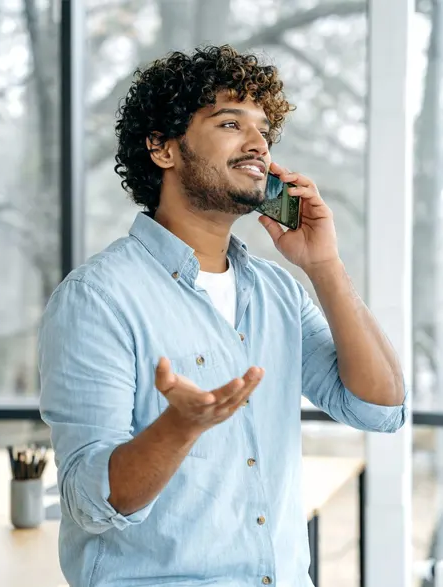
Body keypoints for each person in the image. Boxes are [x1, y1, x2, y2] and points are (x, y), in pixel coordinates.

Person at [38, 45, 407, 587]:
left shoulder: (278, 291)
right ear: (162, 149)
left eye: (264, 131)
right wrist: (180, 427)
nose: (258, 144)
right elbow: (89, 504)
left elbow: (380, 409)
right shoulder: (97, 298)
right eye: (231, 123)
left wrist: (324, 264)